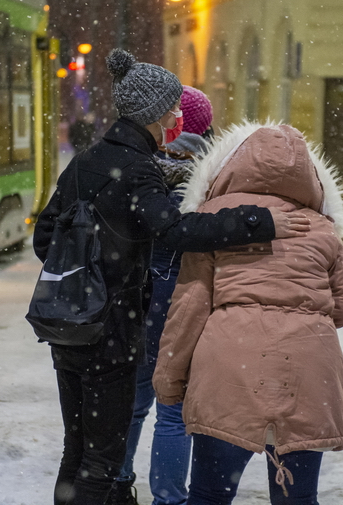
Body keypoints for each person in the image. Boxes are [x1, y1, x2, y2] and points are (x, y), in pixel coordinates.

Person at [33, 49, 311, 505]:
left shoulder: (86, 160)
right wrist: (255, 221)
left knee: (77, 448)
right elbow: (177, 230)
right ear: (154, 115)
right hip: (111, 328)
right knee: (102, 460)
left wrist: (92, 255)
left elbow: (45, 238)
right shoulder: (139, 169)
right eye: (173, 111)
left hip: (69, 326)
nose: (178, 118)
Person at [152, 123, 343, 505]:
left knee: (210, 495)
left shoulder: (213, 221)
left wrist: (168, 379)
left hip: (229, 374)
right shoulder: (324, 229)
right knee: (295, 499)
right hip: (308, 376)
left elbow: (189, 310)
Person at [111, 85, 215, 505]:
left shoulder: (135, 170)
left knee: (133, 403)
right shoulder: (209, 182)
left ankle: (118, 483)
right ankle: (169, 498)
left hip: (136, 306)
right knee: (173, 411)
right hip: (182, 309)